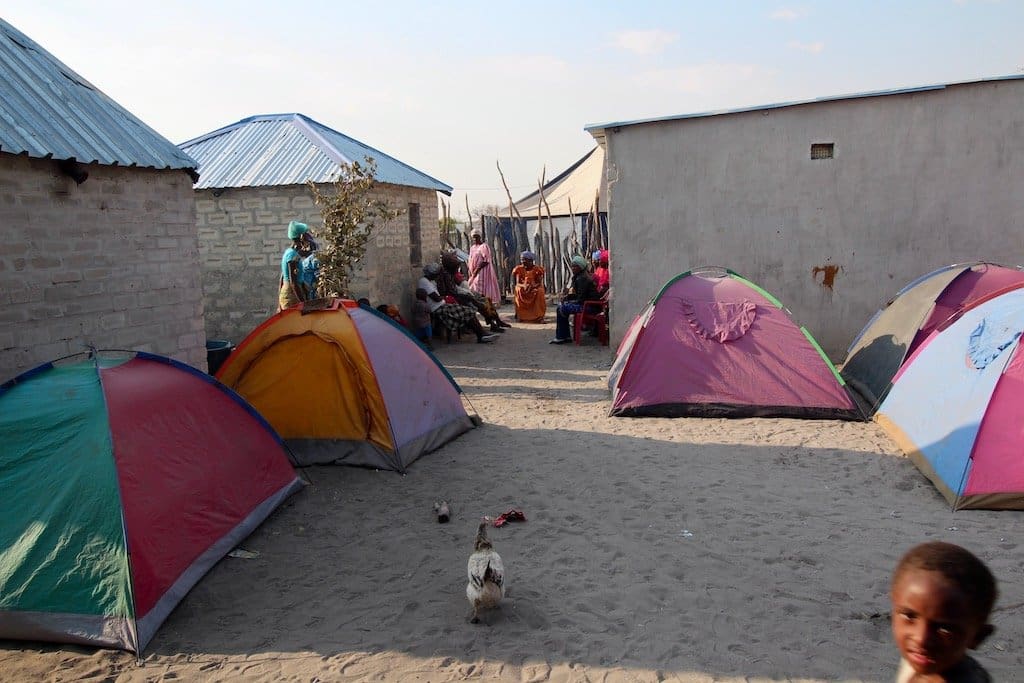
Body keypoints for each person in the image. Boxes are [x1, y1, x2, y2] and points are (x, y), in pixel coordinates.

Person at [890, 541, 997, 683]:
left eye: (944, 628)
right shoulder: (918, 660)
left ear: (978, 636)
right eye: (910, 616)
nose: (921, 639)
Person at [418, 263, 497, 344]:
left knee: (469, 310)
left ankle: (482, 334)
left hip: (442, 305)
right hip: (438, 308)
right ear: (431, 274)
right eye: (436, 275)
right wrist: (445, 297)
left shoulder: (430, 281)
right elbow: (437, 298)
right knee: (468, 311)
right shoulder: (424, 282)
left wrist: (444, 297)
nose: (437, 277)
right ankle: (481, 335)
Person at [439, 251, 509, 332]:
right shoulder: (446, 275)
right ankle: (492, 324)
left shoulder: (451, 273)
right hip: (456, 297)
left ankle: (497, 321)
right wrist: (470, 297)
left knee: (486, 300)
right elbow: (452, 292)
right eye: (456, 267)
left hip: (462, 292)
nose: (457, 269)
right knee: (479, 304)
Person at [550, 255, 599, 344]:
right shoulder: (580, 277)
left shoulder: (582, 279)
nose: (573, 268)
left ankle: (561, 336)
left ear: (581, 267)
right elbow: (579, 296)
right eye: (572, 266)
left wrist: (569, 300)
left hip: (589, 307)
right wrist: (568, 298)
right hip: (587, 304)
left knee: (561, 308)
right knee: (562, 306)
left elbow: (581, 299)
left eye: (575, 266)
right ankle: (565, 336)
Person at [278, 220, 313, 311]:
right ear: (301, 237)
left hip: (291, 293)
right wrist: (304, 304)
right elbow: (293, 282)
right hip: (292, 296)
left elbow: (282, 278)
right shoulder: (292, 255)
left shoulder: (290, 252)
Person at [467, 228, 502, 305]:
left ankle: (484, 303)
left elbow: (486, 260)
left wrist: (477, 269)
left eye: (476, 237)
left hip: (482, 271)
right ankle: (480, 303)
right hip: (474, 271)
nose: (475, 239)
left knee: (478, 286)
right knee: (472, 286)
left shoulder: (484, 246)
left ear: (480, 237)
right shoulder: (472, 248)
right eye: (473, 237)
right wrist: (470, 270)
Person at [511, 251, 546, 323]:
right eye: (521, 260)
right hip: (523, 287)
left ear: (530, 261)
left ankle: (539, 316)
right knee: (518, 289)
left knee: (540, 291)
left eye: (524, 260)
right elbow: (518, 283)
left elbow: (539, 283)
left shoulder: (537, 269)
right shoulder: (519, 269)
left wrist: (532, 287)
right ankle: (521, 315)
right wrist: (524, 286)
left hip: (534, 287)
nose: (522, 261)